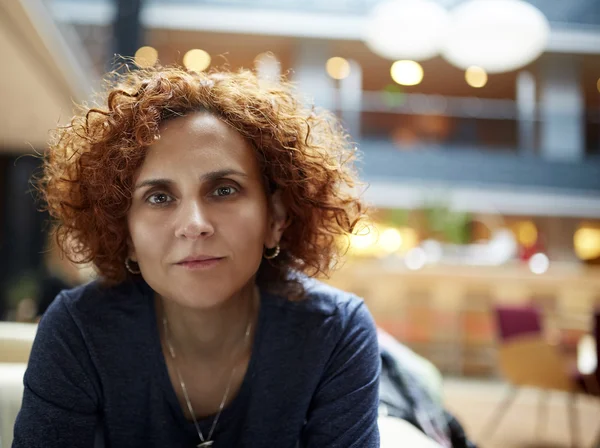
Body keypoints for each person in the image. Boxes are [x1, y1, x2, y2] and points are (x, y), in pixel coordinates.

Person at [13, 66, 381, 447]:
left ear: (276, 217)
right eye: (159, 197)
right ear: (127, 235)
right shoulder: (80, 329)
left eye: (224, 190)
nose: (194, 224)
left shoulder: (335, 331)